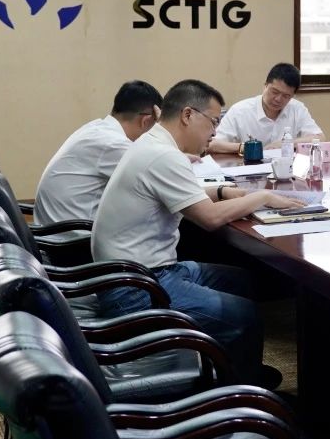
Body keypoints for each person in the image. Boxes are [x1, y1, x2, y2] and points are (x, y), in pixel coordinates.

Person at [92, 79, 307, 388]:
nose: (214, 133)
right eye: (213, 122)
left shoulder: (153, 143)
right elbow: (209, 218)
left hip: (141, 272)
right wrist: (262, 197)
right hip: (136, 288)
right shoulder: (163, 155)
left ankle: (236, 370)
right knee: (243, 315)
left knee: (242, 281)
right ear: (188, 115)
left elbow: (182, 192)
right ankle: (239, 395)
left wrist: (222, 191)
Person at [34, 80, 163, 225]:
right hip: (74, 234)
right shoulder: (113, 143)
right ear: (145, 121)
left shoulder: (96, 129)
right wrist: (163, 131)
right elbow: (164, 174)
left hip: (56, 228)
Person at [209, 62, 322, 154]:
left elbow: (319, 138)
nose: (278, 99)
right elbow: (211, 144)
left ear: (292, 96)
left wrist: (286, 144)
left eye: (286, 96)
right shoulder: (240, 111)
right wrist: (246, 148)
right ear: (265, 85)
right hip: (248, 170)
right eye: (274, 92)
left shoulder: (297, 108)